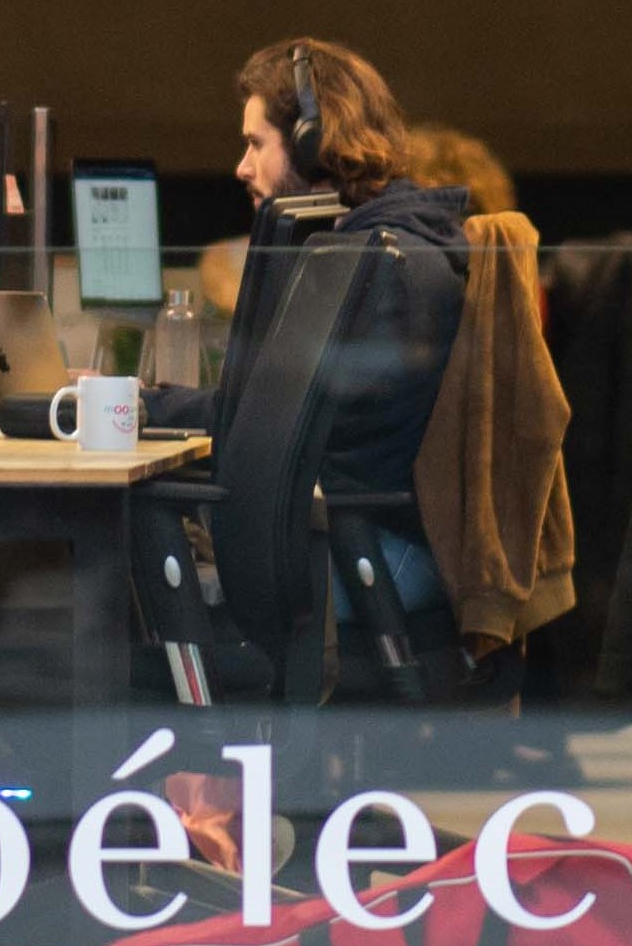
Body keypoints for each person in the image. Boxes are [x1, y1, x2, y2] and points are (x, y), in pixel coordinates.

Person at [148, 35, 468, 610]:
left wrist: (133, 407)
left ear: (315, 143)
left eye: (255, 144)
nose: (241, 167)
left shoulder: (380, 266)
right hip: (354, 540)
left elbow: (270, 424)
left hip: (366, 555)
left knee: (133, 553)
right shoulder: (370, 247)